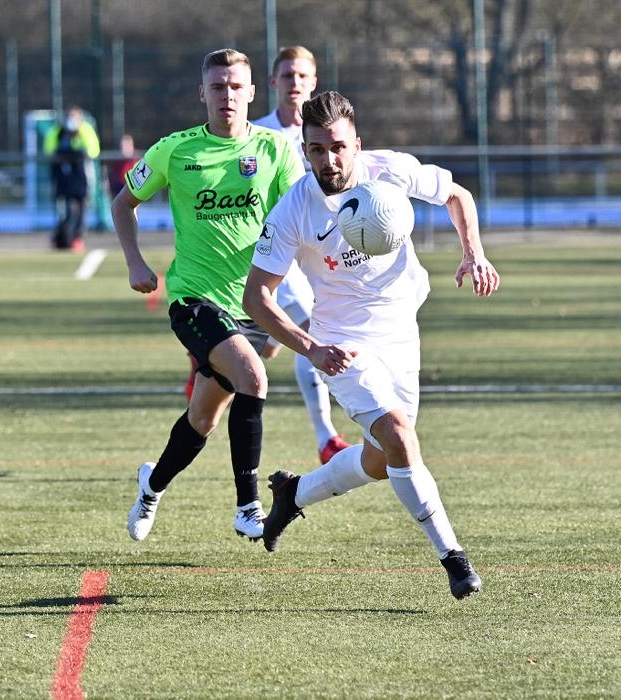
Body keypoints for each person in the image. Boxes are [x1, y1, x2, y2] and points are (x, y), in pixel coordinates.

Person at [243, 90, 500, 600]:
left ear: (356, 144)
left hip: (402, 330)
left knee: (382, 460)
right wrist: (310, 348)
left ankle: (293, 493)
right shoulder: (294, 208)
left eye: (337, 147)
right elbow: (257, 297)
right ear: (304, 148)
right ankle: (453, 557)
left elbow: (458, 196)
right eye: (316, 149)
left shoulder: (391, 172)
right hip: (342, 343)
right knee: (401, 438)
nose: (328, 160)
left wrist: (474, 253)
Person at [112, 48, 304, 543]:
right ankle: (249, 507)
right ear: (202, 93)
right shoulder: (174, 151)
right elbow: (124, 202)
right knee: (253, 377)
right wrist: (135, 261)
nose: (227, 96)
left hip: (256, 304)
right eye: (217, 87)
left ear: (252, 93)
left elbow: (299, 214)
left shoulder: (276, 150)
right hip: (193, 299)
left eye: (236, 87)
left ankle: (151, 487)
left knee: (203, 417)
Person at [252, 45, 349, 465]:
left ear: (314, 82)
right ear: (273, 82)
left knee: (273, 342)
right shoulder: (255, 134)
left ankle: (211, 364)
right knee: (314, 332)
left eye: (303, 76)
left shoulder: (328, 137)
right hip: (278, 255)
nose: (295, 84)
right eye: (287, 76)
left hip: (318, 255)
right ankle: (326, 437)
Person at [44, 106, 101, 252]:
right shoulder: (58, 132)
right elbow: (49, 150)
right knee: (70, 210)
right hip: (64, 179)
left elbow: (93, 150)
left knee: (81, 210)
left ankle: (76, 238)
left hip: (81, 179)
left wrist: (79, 141)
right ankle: (63, 238)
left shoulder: (85, 130)